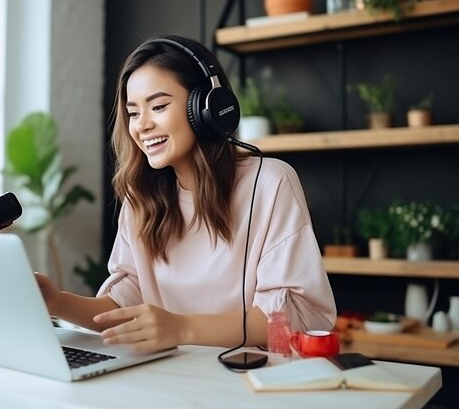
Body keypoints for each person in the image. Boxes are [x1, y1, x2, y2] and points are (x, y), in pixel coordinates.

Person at [35, 34, 336, 353]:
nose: (141, 126)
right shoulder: (141, 200)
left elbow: (293, 318)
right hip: (167, 379)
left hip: (243, 381)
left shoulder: (270, 182)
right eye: (134, 113)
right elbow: (124, 307)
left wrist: (181, 328)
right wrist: (56, 301)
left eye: (159, 106)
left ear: (207, 107)